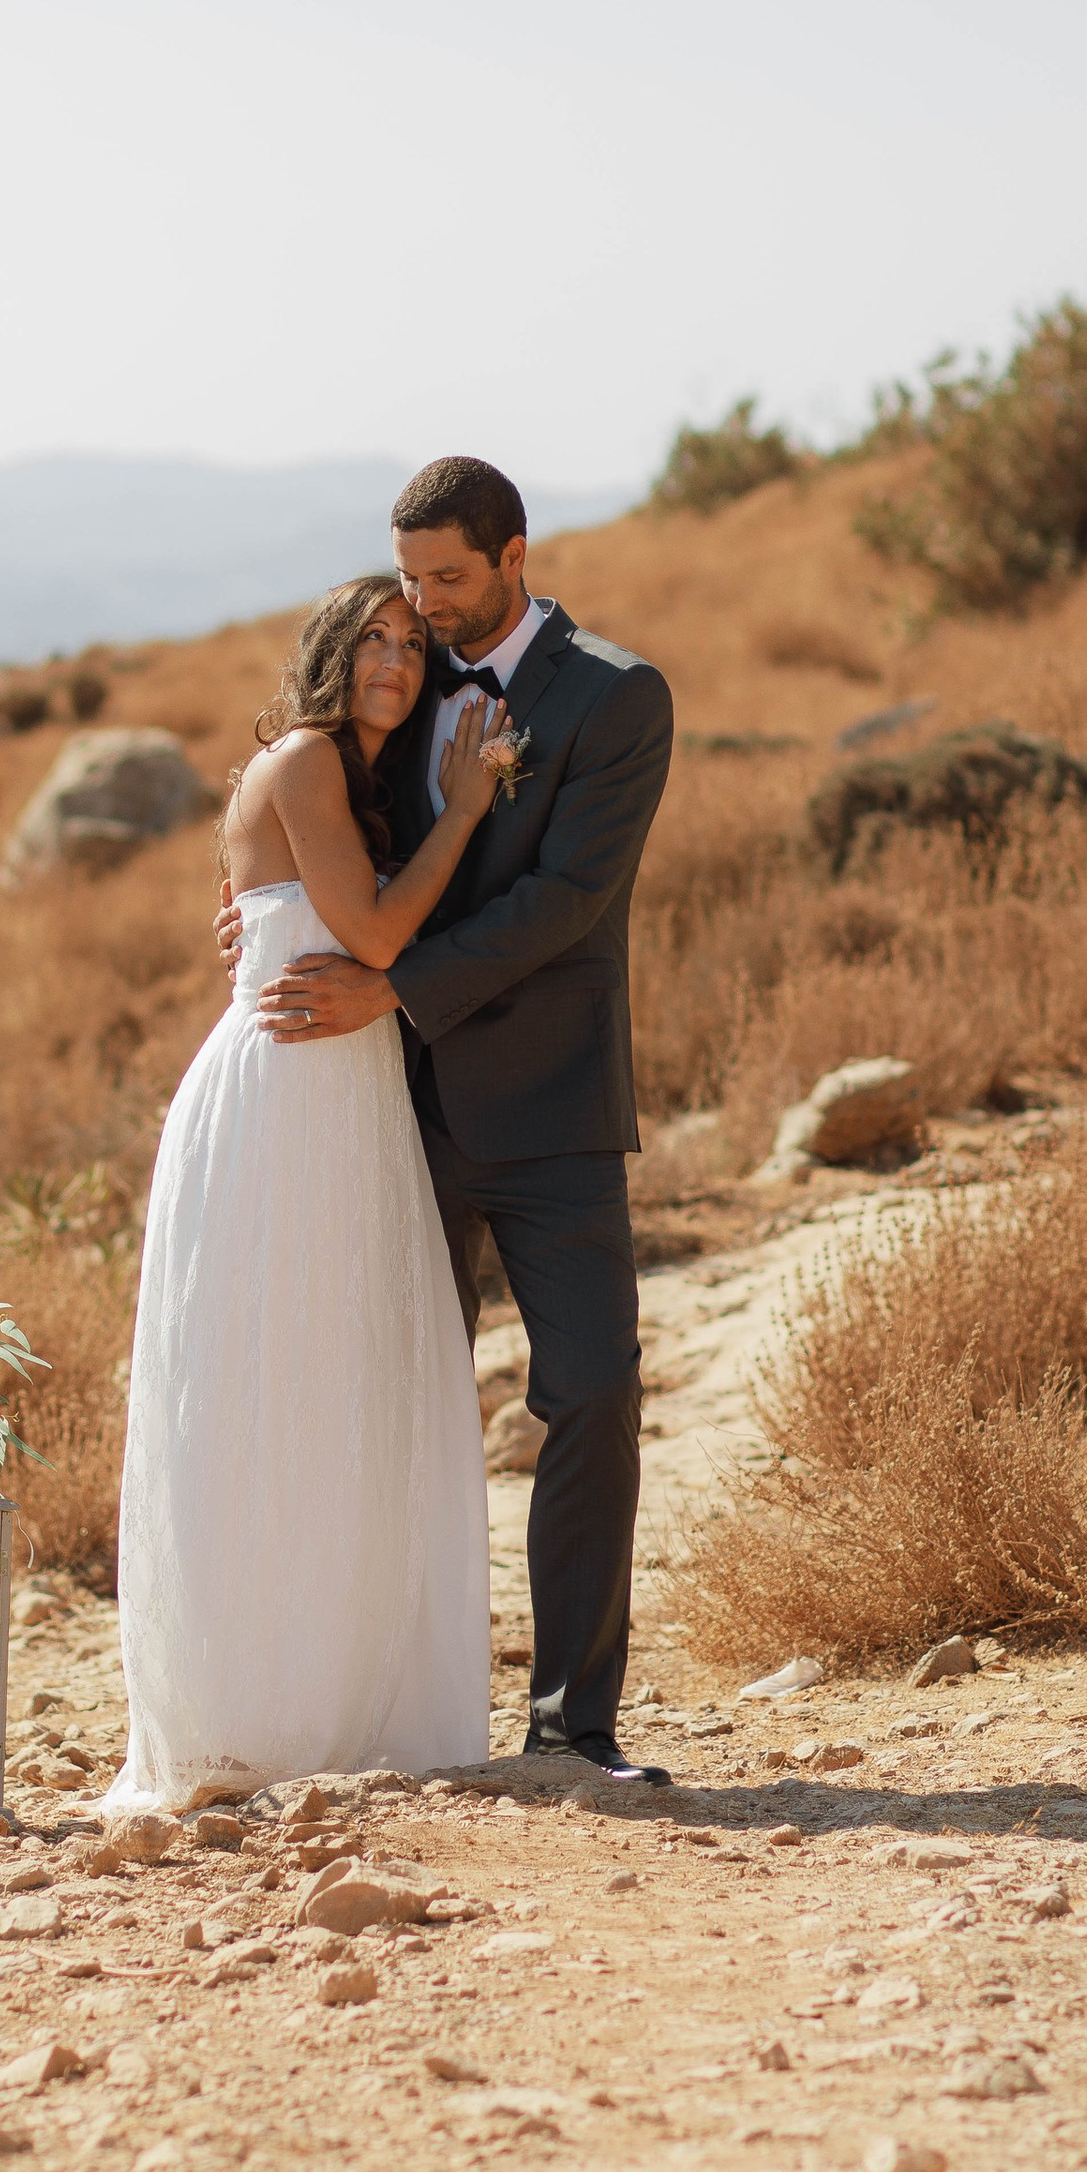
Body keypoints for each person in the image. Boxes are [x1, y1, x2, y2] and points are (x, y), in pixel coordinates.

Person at [248, 455, 676, 1784]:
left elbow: (566, 901)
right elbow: (325, 813)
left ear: (515, 555)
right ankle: (379, 1717)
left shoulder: (614, 696)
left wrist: (391, 986)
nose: (426, 607)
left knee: (594, 1392)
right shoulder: (403, 673)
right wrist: (268, 911)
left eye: (450, 577)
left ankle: (570, 1727)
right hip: (391, 1115)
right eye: (412, 579)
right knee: (388, 1411)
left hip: (550, 1110)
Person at [104, 576, 509, 1806]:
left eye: (410, 642)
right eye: (371, 638)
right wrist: (469, 803)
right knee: (266, 1392)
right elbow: (380, 938)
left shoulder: (349, 784)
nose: (393, 658)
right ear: (333, 654)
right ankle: (255, 1713)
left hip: (345, 1103)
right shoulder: (304, 762)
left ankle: (333, 1691)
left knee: (336, 1388)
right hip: (284, 1101)